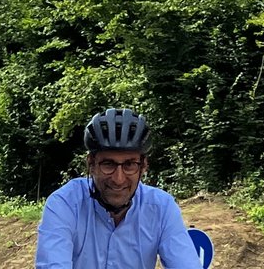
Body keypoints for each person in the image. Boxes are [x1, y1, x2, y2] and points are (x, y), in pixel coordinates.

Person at [35, 108, 202, 269]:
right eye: (108, 164)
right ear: (91, 164)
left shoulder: (162, 208)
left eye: (129, 164)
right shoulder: (64, 204)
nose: (118, 179)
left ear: (143, 166)